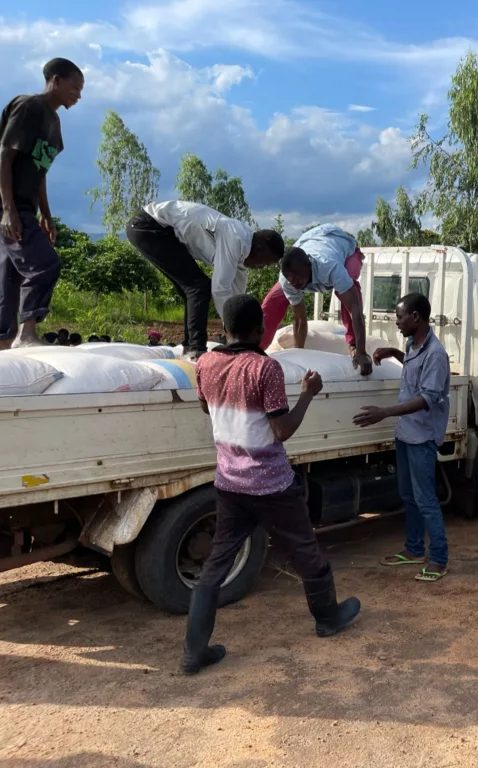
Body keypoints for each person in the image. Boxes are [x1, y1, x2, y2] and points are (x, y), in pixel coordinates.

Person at [182, 294, 360, 676]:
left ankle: (193, 651)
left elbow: (204, 407)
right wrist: (308, 395)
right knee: (305, 550)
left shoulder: (206, 363)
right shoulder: (266, 369)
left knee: (216, 563)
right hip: (271, 486)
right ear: (260, 330)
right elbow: (282, 431)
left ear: (226, 328)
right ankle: (327, 617)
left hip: (229, 482)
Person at [353, 293, 451, 582]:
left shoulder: (435, 354)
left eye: (399, 317)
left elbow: (426, 398)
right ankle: (413, 549)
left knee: (426, 499)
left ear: (416, 317)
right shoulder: (413, 344)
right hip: (406, 434)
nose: (396, 323)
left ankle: (439, 559)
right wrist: (396, 353)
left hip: (421, 437)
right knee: (408, 496)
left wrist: (384, 412)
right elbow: (413, 367)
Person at [0, 59, 84, 351]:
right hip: (5, 204)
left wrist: (46, 216)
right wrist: (8, 209)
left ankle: (2, 343)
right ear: (56, 80)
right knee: (44, 264)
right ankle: (26, 335)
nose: (78, 95)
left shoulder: (54, 124)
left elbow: (39, 171)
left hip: (25, 206)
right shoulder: (28, 106)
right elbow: (4, 157)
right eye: (75, 87)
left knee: (8, 278)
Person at [125, 201, 284, 359]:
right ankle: (196, 349)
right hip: (149, 227)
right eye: (265, 262)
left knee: (191, 288)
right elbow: (220, 289)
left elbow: (236, 301)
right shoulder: (236, 237)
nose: (262, 267)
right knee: (199, 288)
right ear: (260, 248)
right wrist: (234, 332)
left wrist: (242, 334)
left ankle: (190, 345)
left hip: (165, 233)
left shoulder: (242, 254)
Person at [261, 224, 367, 357]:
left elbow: (355, 308)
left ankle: (354, 345)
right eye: (290, 278)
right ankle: (256, 347)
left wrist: (361, 353)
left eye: (298, 276)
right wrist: (297, 355)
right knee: (272, 301)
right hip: (310, 239)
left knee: (348, 288)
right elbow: (299, 319)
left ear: (309, 266)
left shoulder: (330, 268)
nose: (295, 282)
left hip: (341, 244)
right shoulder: (287, 279)